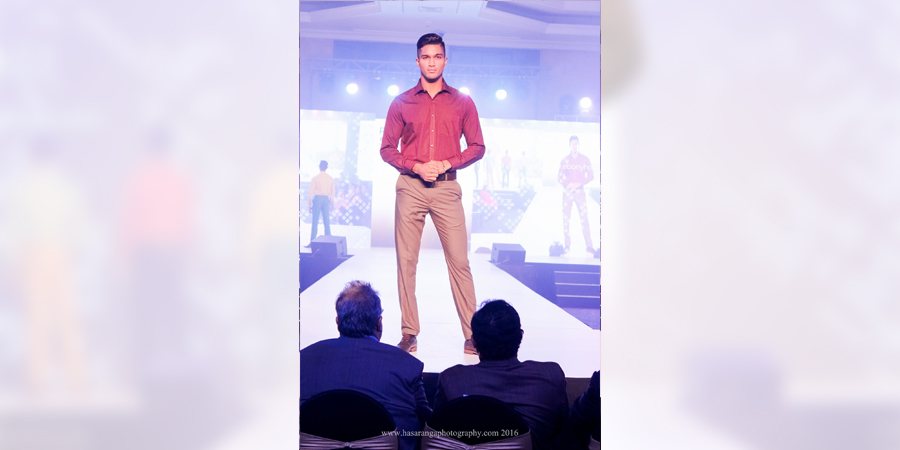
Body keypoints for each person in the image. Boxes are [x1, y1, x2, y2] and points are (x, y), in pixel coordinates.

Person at [379, 33, 485, 355]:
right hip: (411, 186)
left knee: (460, 262)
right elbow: (386, 149)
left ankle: (473, 335)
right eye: (426, 57)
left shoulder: (463, 102)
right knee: (406, 262)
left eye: (437, 56)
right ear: (417, 61)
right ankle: (409, 333)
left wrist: (446, 163)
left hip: (447, 187)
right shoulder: (401, 102)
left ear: (445, 60)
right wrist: (415, 166)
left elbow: (477, 146)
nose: (432, 62)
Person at [300, 281, 431, 450]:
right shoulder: (407, 366)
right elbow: (429, 423)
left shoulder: (302, 361)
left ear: (337, 321)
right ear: (379, 323)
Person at [434, 300, 568, 450]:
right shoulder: (550, 376)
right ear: (520, 336)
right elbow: (565, 434)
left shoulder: (452, 380)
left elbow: (436, 436)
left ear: (474, 341)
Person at [558, 136, 595, 254]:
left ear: (579, 144)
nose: (574, 146)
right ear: (569, 145)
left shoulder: (585, 160)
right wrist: (568, 184)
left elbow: (591, 176)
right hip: (567, 193)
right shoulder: (565, 160)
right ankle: (567, 245)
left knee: (584, 218)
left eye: (576, 143)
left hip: (580, 192)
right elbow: (559, 177)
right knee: (566, 219)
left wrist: (579, 183)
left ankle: (589, 246)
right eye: (572, 144)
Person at [307, 160, 334, 244]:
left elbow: (310, 193)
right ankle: (328, 242)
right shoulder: (330, 179)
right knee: (327, 222)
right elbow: (333, 193)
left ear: (319, 167)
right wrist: (330, 203)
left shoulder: (315, 178)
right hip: (326, 199)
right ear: (327, 167)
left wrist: (309, 205)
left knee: (315, 221)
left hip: (317, 199)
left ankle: (312, 242)